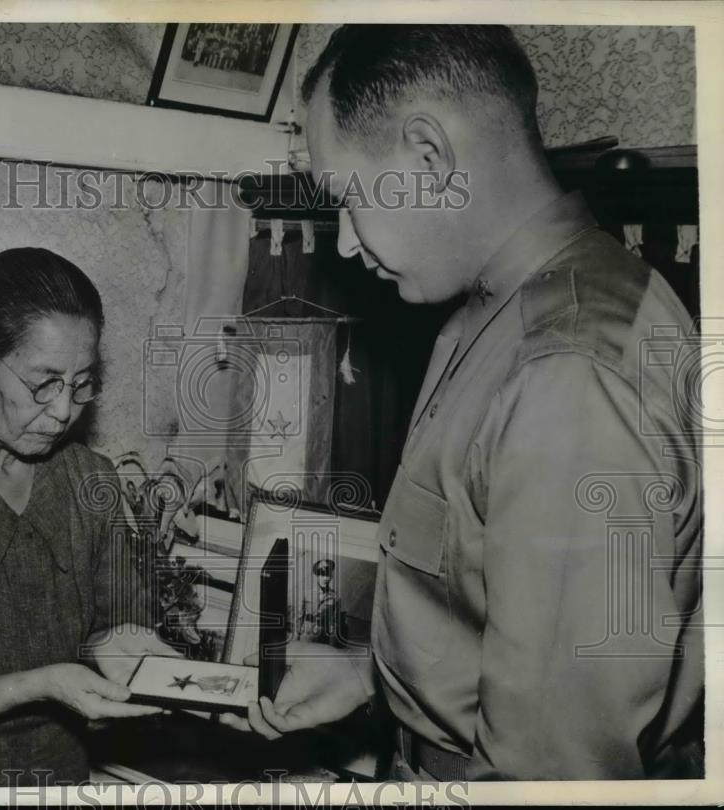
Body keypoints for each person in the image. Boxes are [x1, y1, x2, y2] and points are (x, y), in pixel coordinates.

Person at [226, 25, 703, 780]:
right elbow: (499, 615)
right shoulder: (519, 308)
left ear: (428, 157)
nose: (345, 244)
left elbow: (554, 771)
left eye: (348, 199)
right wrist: (372, 676)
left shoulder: (565, 374)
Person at [0, 247, 175, 787]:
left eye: (82, 383)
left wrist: (138, 659)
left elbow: (115, 626)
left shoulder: (90, 481)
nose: (66, 410)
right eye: (44, 384)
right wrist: (42, 684)